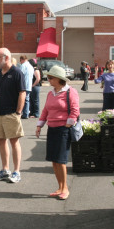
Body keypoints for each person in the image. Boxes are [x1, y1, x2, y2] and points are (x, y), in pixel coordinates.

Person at [35, 66, 79, 200]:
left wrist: (68, 123)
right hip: (52, 129)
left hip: (63, 130)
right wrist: (39, 125)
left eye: (51, 78)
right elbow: (45, 110)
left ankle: (65, 188)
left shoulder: (70, 92)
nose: (48, 80)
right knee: (54, 161)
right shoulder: (51, 93)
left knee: (61, 161)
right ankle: (60, 187)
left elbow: (75, 109)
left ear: (59, 79)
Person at [0, 48, 25, 183]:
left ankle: (16, 171)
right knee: (1, 140)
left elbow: (22, 93)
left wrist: (18, 112)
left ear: (6, 57)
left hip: (11, 113)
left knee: (14, 141)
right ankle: (5, 170)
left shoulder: (17, 72)